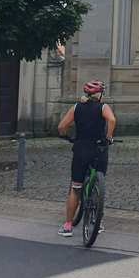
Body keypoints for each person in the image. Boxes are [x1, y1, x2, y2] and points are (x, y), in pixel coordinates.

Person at [56, 79, 116, 237]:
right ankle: (97, 221)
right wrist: (109, 137)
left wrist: (67, 137)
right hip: (99, 149)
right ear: (100, 94)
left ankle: (68, 225)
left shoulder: (76, 107)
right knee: (98, 182)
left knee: (76, 187)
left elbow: (61, 127)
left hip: (81, 149)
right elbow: (111, 119)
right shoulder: (103, 107)